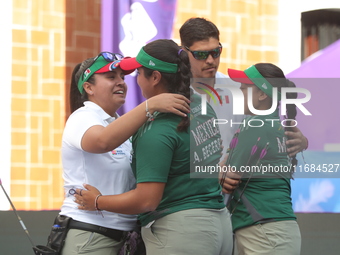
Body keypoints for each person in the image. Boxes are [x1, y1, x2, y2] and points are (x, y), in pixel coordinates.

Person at [74, 39, 231, 255]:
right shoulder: (202, 107)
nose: (132, 81)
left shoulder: (157, 127)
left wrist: (98, 201)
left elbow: (147, 200)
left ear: (155, 77)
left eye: (138, 73)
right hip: (219, 223)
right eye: (113, 77)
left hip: (181, 230)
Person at [58, 51, 190, 255]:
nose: (121, 82)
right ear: (88, 87)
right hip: (90, 235)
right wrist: (150, 104)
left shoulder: (122, 124)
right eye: (111, 77)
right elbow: (102, 141)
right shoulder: (82, 117)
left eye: (123, 77)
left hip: (125, 238)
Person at [224, 63, 301, 255]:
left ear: (262, 94)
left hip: (264, 230)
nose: (239, 91)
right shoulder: (275, 124)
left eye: (244, 87)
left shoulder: (255, 125)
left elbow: (228, 179)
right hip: (272, 229)